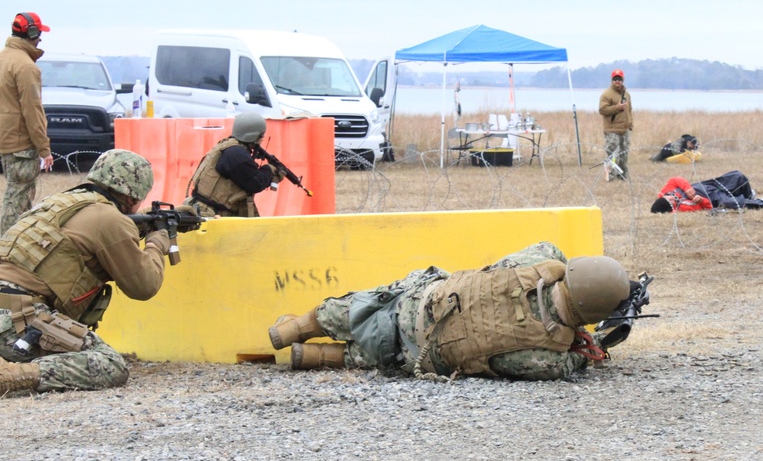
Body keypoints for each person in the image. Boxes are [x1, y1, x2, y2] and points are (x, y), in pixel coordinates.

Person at [267, 242, 636, 381]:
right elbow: (566, 364)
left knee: (362, 306)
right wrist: (599, 343)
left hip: (417, 301)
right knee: (365, 356)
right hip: (415, 353)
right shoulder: (548, 351)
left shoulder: (538, 262)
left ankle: (298, 328)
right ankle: (315, 358)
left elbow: (553, 253)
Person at [0, 149, 173, 394]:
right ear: (133, 195)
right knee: (110, 364)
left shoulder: (56, 204)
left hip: (9, 313)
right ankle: (13, 375)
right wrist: (156, 244)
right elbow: (144, 286)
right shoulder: (110, 219)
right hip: (21, 319)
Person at [0, 12, 54, 234]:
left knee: (22, 203)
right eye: (39, 33)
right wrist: (44, 149)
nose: (40, 38)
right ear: (32, 33)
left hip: (7, 142)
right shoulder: (26, 67)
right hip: (22, 145)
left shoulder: (3, 58)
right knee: (16, 203)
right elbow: (32, 111)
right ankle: (4, 253)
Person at [184, 112, 285, 217]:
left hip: (202, 209)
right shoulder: (237, 155)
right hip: (211, 214)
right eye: (261, 136)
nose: (262, 139)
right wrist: (270, 170)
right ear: (254, 137)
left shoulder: (228, 146)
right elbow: (256, 183)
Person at [598, 69, 633, 180]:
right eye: (615, 79)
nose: (617, 81)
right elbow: (602, 110)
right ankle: (611, 175)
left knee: (624, 154)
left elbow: (629, 110)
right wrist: (618, 107)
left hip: (625, 129)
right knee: (612, 154)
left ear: (623, 80)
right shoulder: (606, 94)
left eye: (619, 79)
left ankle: (622, 174)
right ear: (612, 80)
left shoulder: (626, 94)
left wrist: (630, 123)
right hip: (612, 129)